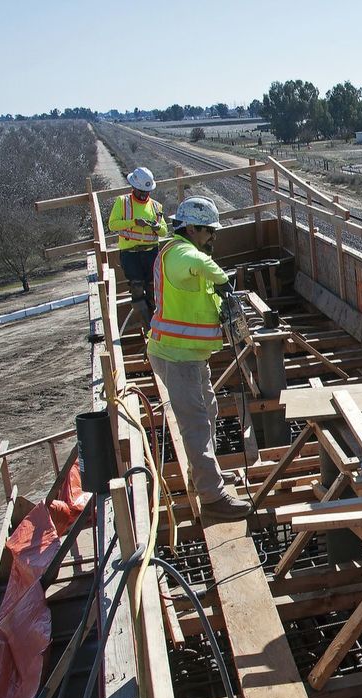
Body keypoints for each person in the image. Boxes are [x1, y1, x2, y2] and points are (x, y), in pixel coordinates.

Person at [147, 197, 250, 523]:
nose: (212, 239)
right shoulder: (180, 253)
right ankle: (213, 497)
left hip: (189, 355)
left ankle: (206, 476)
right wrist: (221, 280)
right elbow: (195, 263)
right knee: (195, 424)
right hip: (177, 357)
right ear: (190, 228)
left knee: (208, 411)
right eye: (208, 232)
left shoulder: (183, 252)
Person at [108, 167, 167, 329]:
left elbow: (164, 230)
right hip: (131, 254)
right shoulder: (123, 202)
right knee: (137, 288)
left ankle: (157, 324)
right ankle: (147, 326)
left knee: (152, 288)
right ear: (133, 187)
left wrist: (156, 227)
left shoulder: (156, 206)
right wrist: (134, 222)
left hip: (151, 253)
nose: (144, 195)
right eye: (141, 191)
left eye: (147, 191)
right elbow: (113, 225)